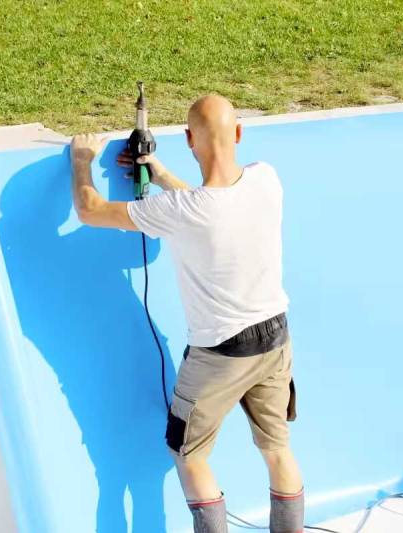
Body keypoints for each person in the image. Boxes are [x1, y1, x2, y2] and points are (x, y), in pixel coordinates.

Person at [70, 94, 303, 533]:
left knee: (190, 453)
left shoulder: (182, 210)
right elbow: (212, 210)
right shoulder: (266, 180)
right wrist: (159, 174)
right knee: (277, 449)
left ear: (189, 139)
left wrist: (81, 161)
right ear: (238, 133)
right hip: (276, 341)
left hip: (221, 354)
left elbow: (90, 210)